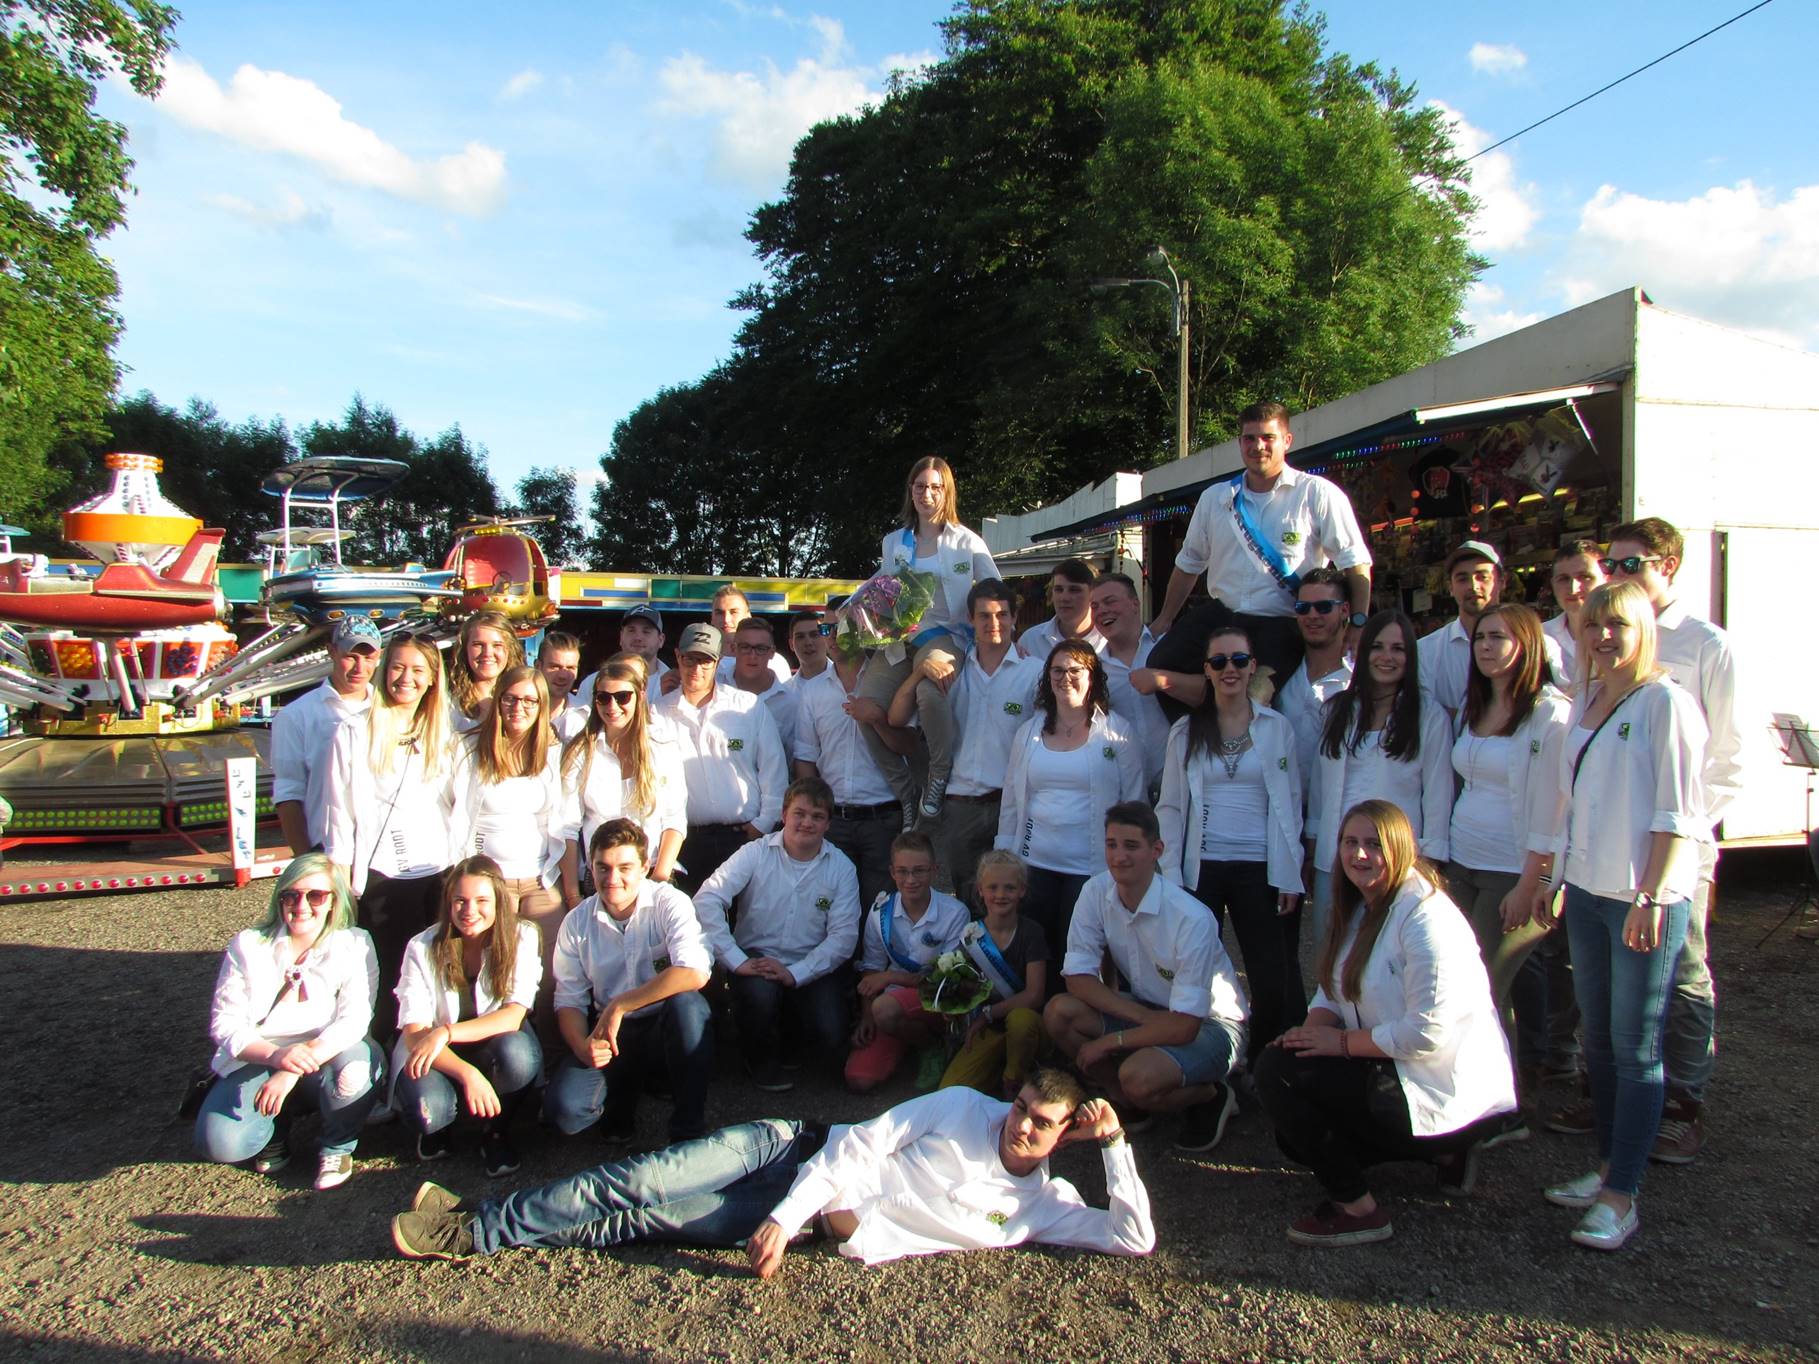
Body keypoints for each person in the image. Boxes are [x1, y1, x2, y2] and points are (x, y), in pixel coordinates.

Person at [390, 1069, 1153, 1268]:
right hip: (791, 1149)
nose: (1020, 1126)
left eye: (1041, 1122)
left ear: (1063, 1136)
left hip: (815, 1221)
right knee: (638, 1181)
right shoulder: (961, 1106)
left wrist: (1115, 1148)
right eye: (1021, 1108)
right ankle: (477, 1229)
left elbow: (1133, 1239)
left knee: (639, 1223)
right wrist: (782, 1221)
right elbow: (857, 1147)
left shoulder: (1040, 1207)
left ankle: (472, 1220)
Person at [1529, 580, 1708, 1251]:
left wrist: (1653, 897)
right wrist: (1554, 878)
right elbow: (1573, 805)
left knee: (1635, 1046)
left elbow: (1675, 813)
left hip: (1640, 898)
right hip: (1589, 892)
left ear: (1644, 631)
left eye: (1619, 626)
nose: (1604, 637)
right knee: (1600, 1039)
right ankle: (1605, 1164)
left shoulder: (1666, 704)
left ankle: (1620, 1195)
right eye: (1593, 626)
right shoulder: (1589, 699)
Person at [1255, 800, 1518, 1247]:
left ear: (1400, 849)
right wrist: (1306, 1033)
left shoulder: (1425, 918)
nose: (1359, 855)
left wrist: (1336, 1043)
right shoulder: (1365, 904)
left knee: (1276, 1075)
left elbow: (1425, 1033)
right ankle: (1445, 1155)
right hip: (1396, 1070)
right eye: (1350, 843)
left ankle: (1359, 1208)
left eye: (1373, 845)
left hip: (1439, 1085)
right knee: (1291, 1129)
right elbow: (1334, 988)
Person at [1595, 517, 1741, 1164]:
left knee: (1680, 974)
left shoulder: (1705, 645)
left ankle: (1685, 1102)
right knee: (1611, 981)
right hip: (1609, 852)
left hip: (1677, 848)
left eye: (1631, 565)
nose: (1618, 575)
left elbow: (1729, 758)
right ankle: (1620, 1103)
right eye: (1612, 564)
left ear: (1669, 565)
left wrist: (1680, 837)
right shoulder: (1606, 639)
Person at [1044, 802, 1248, 1152]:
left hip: (1211, 1024)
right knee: (1059, 1013)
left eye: (1131, 846)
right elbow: (1078, 978)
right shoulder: (1095, 892)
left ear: (1157, 851)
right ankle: (1124, 1098)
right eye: (1111, 845)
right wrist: (1143, 1019)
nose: (1119, 857)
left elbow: (1184, 1026)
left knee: (1138, 1077)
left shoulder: (1190, 918)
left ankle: (1211, 1095)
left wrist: (1109, 1043)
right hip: (1148, 1008)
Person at [1147, 401, 1372, 699]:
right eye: (1249, 438)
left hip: (1279, 623)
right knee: (1158, 667)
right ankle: (1201, 739)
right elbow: (1189, 564)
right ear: (1240, 443)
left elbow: (1355, 563)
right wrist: (1165, 618)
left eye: (1268, 437)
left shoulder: (1317, 493)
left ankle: (1232, 732)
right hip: (1220, 614)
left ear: (1287, 441)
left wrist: (1358, 621)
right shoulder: (1215, 498)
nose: (1258, 446)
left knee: (1254, 698)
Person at [1155, 625, 1305, 1067]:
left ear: (1252, 666)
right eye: (1218, 662)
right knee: (1196, 973)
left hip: (1258, 865)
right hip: (1202, 865)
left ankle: (1264, 1064)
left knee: (1268, 974)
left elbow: (1289, 806)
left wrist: (1290, 874)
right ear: (1207, 670)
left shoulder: (1277, 729)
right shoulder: (1185, 731)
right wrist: (1171, 876)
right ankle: (1203, 1059)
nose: (1230, 669)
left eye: (1238, 660)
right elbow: (1170, 807)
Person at [1441, 604, 1571, 1102]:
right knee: (1485, 992)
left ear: (1528, 645)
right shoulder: (1475, 706)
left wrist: (1533, 883)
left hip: (1513, 870)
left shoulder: (1548, 713)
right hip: (1464, 863)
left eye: (1500, 637)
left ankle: (1496, 1105)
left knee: (1480, 990)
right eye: (1480, 638)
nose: (1487, 647)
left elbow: (1555, 809)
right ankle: (1500, 1090)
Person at [194, 854, 381, 1192]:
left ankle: (337, 1145)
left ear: (333, 901)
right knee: (221, 1144)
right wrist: (274, 1057)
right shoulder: (249, 944)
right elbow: (225, 1023)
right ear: (279, 899)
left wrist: (290, 1068)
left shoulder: (354, 943)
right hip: (262, 1055)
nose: (302, 905)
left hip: (324, 1054)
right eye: (291, 895)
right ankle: (274, 1129)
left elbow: (355, 1019)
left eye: (315, 896)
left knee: (356, 1068)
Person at [544, 819, 715, 1144]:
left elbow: (694, 971)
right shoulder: (575, 922)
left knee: (689, 1005)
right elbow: (568, 1000)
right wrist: (583, 1047)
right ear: (590, 869)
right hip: (612, 1035)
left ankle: (688, 1129)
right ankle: (624, 1092)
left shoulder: (669, 902)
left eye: (625, 867)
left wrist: (622, 1004)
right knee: (565, 1112)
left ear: (645, 867)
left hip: (663, 1027)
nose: (613, 879)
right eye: (603, 868)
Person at [850, 457, 1002, 822]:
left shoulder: (967, 542)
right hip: (900, 640)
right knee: (863, 706)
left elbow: (996, 590)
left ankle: (938, 773)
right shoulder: (893, 543)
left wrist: (1008, 638)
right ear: (911, 491)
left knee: (931, 689)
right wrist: (853, 614)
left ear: (946, 492)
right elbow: (880, 589)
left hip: (946, 638)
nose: (927, 494)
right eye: (920, 486)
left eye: (935, 487)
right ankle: (906, 792)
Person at [324, 632, 456, 1045]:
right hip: (381, 874)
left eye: (418, 670)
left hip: (438, 872)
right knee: (383, 982)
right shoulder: (353, 731)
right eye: (398, 667)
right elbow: (338, 813)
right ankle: (378, 1068)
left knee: (433, 979)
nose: (406, 678)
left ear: (434, 678)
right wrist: (342, 882)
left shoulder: (449, 734)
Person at [692, 777, 863, 1091]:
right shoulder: (754, 853)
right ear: (784, 814)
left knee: (831, 1031)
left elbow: (843, 938)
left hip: (811, 963)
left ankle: (791, 1038)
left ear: (828, 823)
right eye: (799, 813)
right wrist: (734, 959)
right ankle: (758, 1059)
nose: (807, 823)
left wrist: (795, 973)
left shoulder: (842, 868)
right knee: (758, 995)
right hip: (756, 960)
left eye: (817, 816)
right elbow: (707, 898)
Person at [888, 578, 1041, 907]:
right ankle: (969, 961)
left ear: (1015, 618)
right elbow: (897, 718)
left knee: (1016, 900)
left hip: (1012, 804)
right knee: (968, 898)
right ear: (970, 620)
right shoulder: (950, 670)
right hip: (960, 807)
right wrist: (918, 674)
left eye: (1002, 614)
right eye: (984, 615)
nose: (993, 623)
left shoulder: (1035, 673)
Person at [1306, 611, 1452, 949]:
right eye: (1378, 647)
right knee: (1334, 954)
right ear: (1362, 652)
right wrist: (1312, 848)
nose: (1387, 657)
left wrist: (1429, 862)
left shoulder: (1428, 716)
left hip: (1396, 859)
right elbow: (1320, 786)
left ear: (1410, 657)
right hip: (1337, 855)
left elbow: (1438, 794)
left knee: (1389, 956)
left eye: (1398, 649)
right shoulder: (1336, 710)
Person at [393, 855, 543, 1177]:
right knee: (430, 1112)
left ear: (499, 901)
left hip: (486, 1041)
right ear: (448, 903)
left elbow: (513, 1016)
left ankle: (495, 1131)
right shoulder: (421, 947)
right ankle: (443, 1123)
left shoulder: (522, 936)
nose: (469, 910)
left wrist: (446, 1031)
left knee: (519, 1056)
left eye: (481, 900)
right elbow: (414, 1032)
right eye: (459, 900)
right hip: (435, 1052)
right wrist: (467, 1074)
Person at [994, 640, 1145, 959]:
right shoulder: (1028, 732)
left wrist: (1131, 867)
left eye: (1075, 670)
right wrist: (1004, 856)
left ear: (1093, 676)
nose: (1066, 677)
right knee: (1037, 959)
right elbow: (1011, 800)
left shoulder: (1118, 732)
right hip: (1034, 865)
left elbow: (1135, 803)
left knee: (1080, 957)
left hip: (1090, 871)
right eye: (1057, 670)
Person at [446, 665, 566, 1018]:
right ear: (498, 700)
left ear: (542, 706)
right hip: (487, 884)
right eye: (511, 698)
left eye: (530, 701)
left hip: (539, 879)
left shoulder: (552, 753)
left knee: (550, 971)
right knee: (492, 970)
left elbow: (558, 820)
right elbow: (457, 817)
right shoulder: (469, 748)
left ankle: (546, 1052)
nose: (519, 707)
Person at [657, 622, 788, 894]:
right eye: (690, 658)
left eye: (706, 660)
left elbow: (774, 772)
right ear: (678, 657)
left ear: (718, 662)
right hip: (683, 843)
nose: (697, 668)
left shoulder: (749, 706)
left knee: (748, 926)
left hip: (742, 838)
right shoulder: (656, 713)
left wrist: (761, 826)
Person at [845, 831, 971, 1093]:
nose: (910, 880)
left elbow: (946, 980)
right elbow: (871, 968)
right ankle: (908, 1040)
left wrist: (891, 979)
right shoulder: (881, 911)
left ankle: (931, 1046)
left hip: (937, 999)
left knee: (886, 1010)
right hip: (890, 1004)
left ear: (934, 870)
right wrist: (867, 1016)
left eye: (919, 871)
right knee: (859, 1078)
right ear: (891, 872)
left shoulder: (955, 913)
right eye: (902, 871)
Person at [559, 657, 688, 903]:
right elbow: (567, 826)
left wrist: (658, 882)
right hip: (599, 877)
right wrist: (572, 894)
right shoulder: (580, 751)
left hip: (652, 874)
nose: (612, 706)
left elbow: (674, 820)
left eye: (622, 697)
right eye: (603, 697)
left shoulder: (663, 747)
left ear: (640, 696)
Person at [794, 636, 906, 910]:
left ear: (860, 631)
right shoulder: (814, 690)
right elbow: (806, 758)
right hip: (834, 821)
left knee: (879, 908)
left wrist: (877, 718)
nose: (831, 637)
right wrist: (813, 813)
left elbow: (909, 746)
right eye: (826, 628)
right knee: (830, 906)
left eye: (840, 628)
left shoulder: (889, 681)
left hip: (883, 818)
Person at [940, 850, 1049, 1098]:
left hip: (1023, 1025)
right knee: (950, 1090)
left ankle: (1014, 1080)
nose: (1001, 895)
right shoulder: (970, 936)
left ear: (1022, 890)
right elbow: (959, 984)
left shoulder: (1032, 933)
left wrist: (989, 1014)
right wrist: (951, 1004)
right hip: (987, 1029)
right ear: (980, 889)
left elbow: (1034, 995)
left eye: (1010, 888)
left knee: (1021, 1021)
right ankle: (998, 1067)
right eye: (993, 888)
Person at [272, 617, 379, 856]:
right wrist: (304, 858)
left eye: (368, 658)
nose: (360, 668)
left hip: (381, 851)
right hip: (328, 849)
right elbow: (288, 792)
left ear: (379, 656)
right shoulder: (296, 716)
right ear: (331, 652)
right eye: (351, 656)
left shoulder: (388, 711)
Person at [1271, 567, 1354, 796]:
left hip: (1339, 814)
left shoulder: (1357, 680)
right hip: (1285, 811)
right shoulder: (1281, 675)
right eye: (1303, 608)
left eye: (1324, 607)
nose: (1313, 615)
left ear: (1344, 610)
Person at [1090, 573, 1170, 789]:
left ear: (1135, 604)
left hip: (1177, 785)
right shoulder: (1093, 670)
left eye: (1110, 601)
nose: (1102, 611)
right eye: (1095, 606)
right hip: (1126, 789)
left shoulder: (1167, 648)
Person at [730, 617, 799, 760]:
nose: (752, 655)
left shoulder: (789, 703)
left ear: (772, 652)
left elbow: (793, 759)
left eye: (760, 649)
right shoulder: (716, 686)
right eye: (745, 647)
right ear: (733, 649)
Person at [446, 611, 524, 733]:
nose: (487, 653)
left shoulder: (523, 702)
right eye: (478, 645)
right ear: (465, 650)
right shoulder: (448, 705)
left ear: (510, 650)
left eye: (497, 645)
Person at [1544, 539, 1606, 691]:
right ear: (1552, 584)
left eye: (1585, 577)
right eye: (1563, 579)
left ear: (1607, 579)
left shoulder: (1623, 634)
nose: (1573, 588)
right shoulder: (1539, 635)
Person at [1017, 558, 1105, 658]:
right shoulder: (1031, 640)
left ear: (1093, 594)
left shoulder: (1109, 641)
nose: (1064, 598)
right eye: (1059, 589)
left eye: (1074, 590)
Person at [710, 586, 793, 686]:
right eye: (719, 613)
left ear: (748, 616)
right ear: (712, 618)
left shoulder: (776, 663)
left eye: (734, 612)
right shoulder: (701, 662)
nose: (726, 620)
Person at [537, 630, 588, 743]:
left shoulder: (586, 716)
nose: (563, 676)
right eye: (555, 667)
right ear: (538, 666)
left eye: (570, 668)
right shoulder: (519, 710)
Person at [616, 605, 670, 703]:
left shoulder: (677, 685)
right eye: (631, 630)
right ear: (621, 637)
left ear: (661, 640)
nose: (638, 637)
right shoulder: (593, 682)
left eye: (646, 631)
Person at [785, 610, 833, 687]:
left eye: (814, 635)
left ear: (826, 638)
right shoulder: (784, 693)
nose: (808, 643)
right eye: (800, 637)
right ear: (791, 644)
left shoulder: (848, 684)